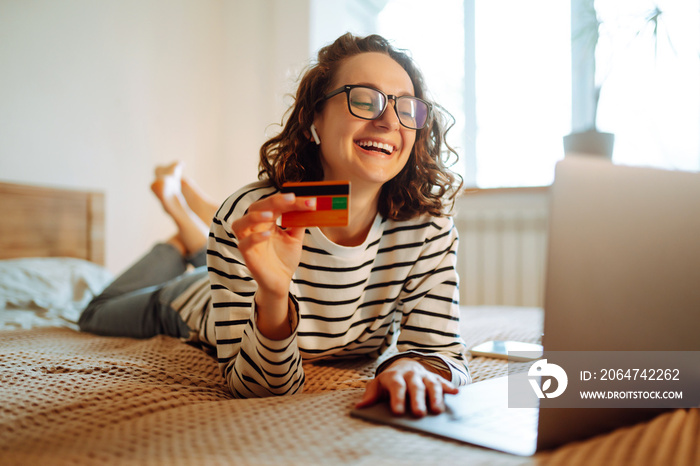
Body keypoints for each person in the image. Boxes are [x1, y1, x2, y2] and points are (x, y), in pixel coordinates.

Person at [80, 33, 469, 418]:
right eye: (364, 100)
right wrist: (272, 292)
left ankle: (184, 216)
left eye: (407, 108)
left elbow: (439, 352)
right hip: (193, 301)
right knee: (94, 313)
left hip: (236, 252)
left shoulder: (427, 228)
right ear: (315, 116)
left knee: (231, 236)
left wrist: (411, 366)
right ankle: (180, 225)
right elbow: (261, 388)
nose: (388, 121)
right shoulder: (249, 211)